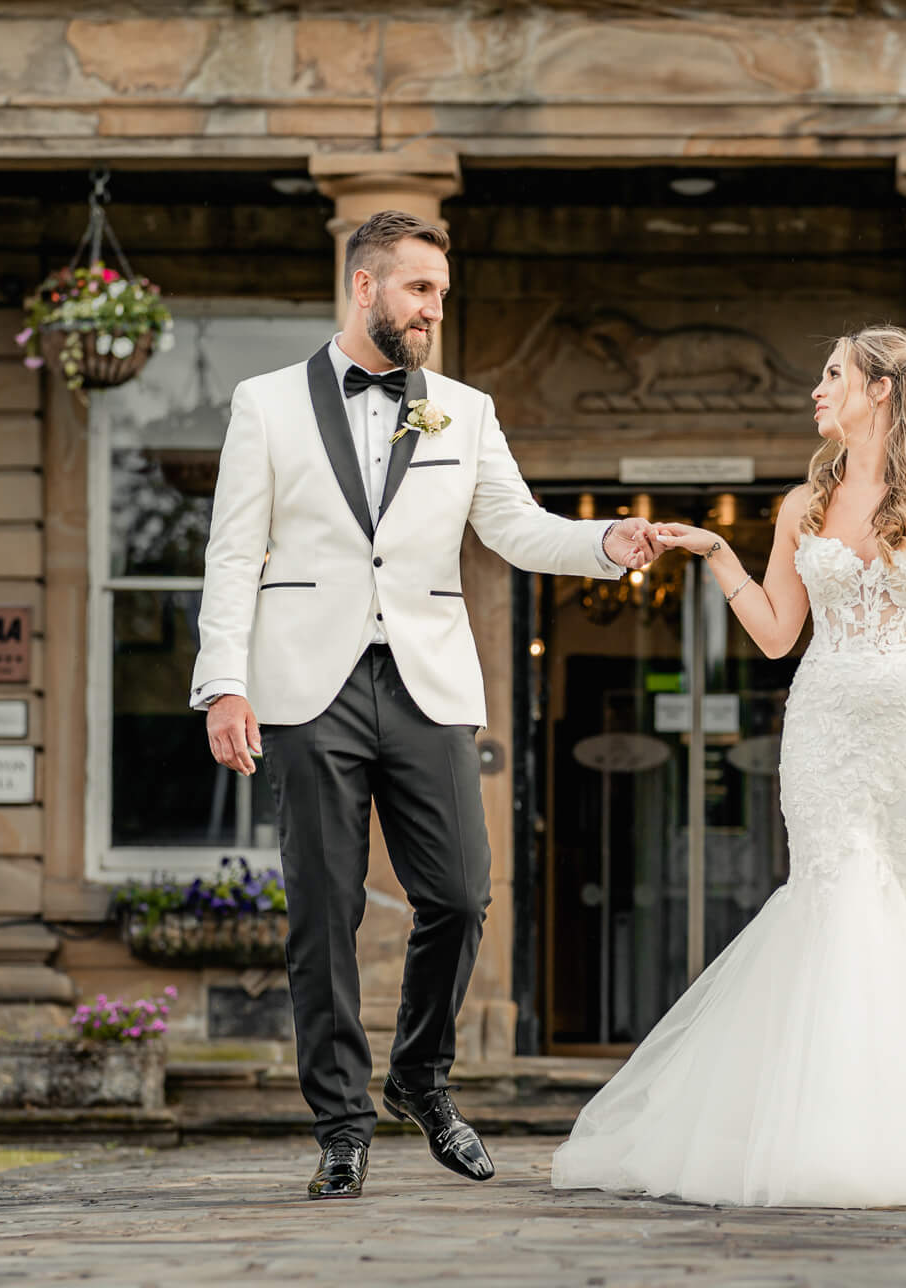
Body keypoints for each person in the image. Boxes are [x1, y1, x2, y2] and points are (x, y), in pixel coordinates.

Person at [549, 324, 906, 1208]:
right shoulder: (804, 503)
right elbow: (773, 635)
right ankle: (822, 1132)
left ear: (881, 389)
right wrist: (713, 552)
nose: (817, 388)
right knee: (837, 893)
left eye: (832, 373)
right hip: (827, 726)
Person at [192, 210, 662, 1200]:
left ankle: (418, 1075)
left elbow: (518, 528)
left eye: (440, 294)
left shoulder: (465, 409)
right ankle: (340, 1122)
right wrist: (223, 682)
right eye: (418, 290)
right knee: (322, 913)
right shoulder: (266, 405)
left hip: (427, 682)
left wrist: (602, 546)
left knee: (458, 893)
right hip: (304, 687)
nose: (433, 309)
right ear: (362, 288)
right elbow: (233, 552)